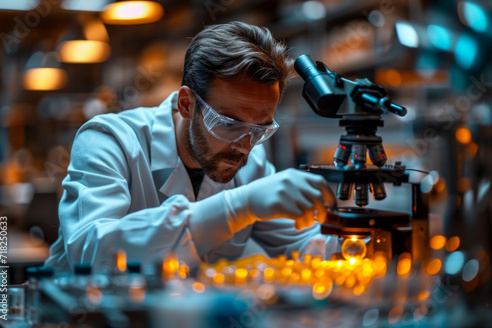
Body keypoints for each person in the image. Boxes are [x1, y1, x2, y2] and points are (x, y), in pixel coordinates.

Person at [45, 21, 338, 273]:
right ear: (186, 104)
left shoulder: (253, 165)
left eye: (259, 128)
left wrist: (362, 241)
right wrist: (236, 207)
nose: (244, 146)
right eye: (230, 123)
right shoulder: (110, 140)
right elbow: (90, 252)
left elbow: (306, 246)